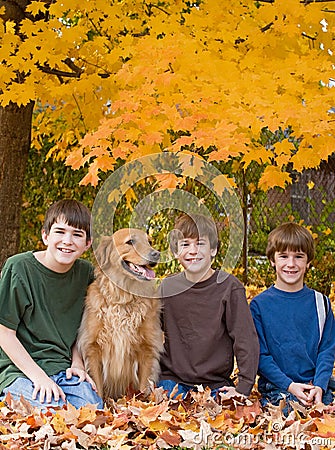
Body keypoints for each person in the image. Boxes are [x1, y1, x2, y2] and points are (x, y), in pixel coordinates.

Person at [0, 199, 103, 410]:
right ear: (45, 235)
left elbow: (81, 329)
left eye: (77, 234)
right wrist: (39, 378)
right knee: (51, 411)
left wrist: (78, 364)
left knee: (92, 409)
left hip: (63, 368)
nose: (68, 241)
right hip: (19, 369)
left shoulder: (86, 274)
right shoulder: (19, 268)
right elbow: (4, 332)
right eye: (60, 231)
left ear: (88, 243)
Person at [157, 213, 259, 399]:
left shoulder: (229, 287)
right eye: (185, 244)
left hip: (215, 383)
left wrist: (243, 387)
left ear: (213, 250)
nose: (193, 251)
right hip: (172, 379)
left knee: (224, 418)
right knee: (171, 413)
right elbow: (150, 334)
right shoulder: (168, 287)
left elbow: (245, 339)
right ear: (175, 252)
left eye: (200, 243)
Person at [250, 222, 335, 410]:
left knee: (324, 408)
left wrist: (320, 385)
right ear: (272, 260)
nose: (291, 264)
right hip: (279, 386)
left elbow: (327, 350)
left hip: (316, 383)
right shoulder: (259, 306)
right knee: (292, 409)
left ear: (308, 261)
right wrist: (290, 385)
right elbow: (260, 356)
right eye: (283, 256)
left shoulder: (321, 302)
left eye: (298, 257)